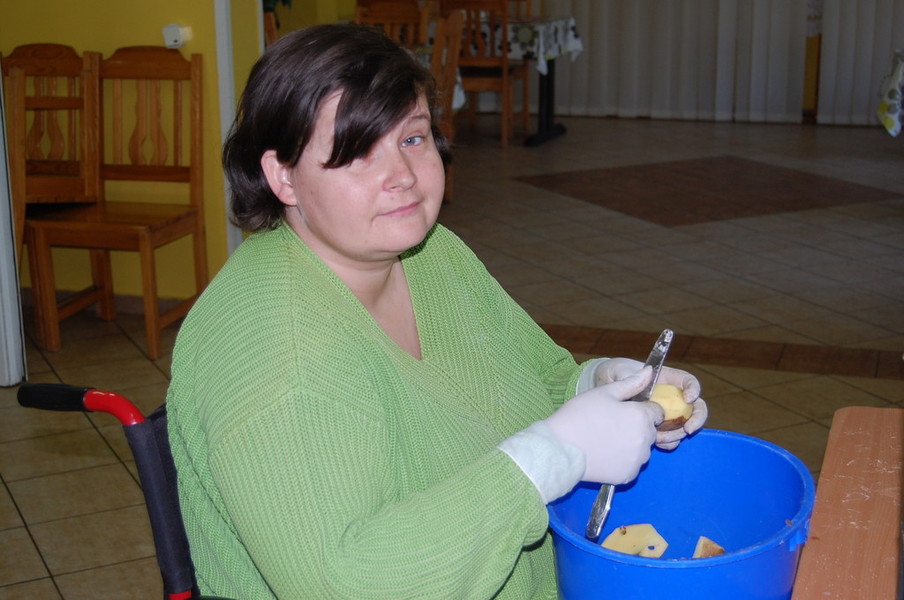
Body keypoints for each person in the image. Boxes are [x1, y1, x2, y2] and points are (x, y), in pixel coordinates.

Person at [165, 24, 707, 600]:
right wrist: (550, 457)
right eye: (358, 151)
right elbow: (346, 584)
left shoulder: (428, 254)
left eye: (413, 138)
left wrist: (600, 386)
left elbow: (535, 375)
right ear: (283, 176)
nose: (402, 176)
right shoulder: (278, 351)